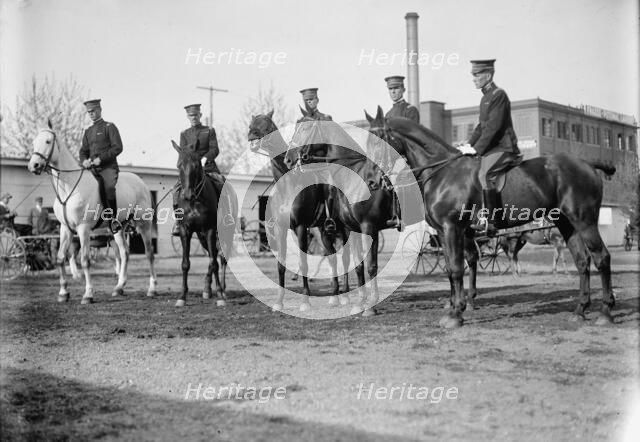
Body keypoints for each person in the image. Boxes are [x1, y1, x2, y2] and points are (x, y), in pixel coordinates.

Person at [457, 59, 521, 234]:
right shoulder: (485, 97)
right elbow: (481, 127)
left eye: (476, 75)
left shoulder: (498, 95)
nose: (474, 79)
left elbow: (494, 127)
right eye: (473, 75)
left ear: (488, 75)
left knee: (485, 174)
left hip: (504, 147)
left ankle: (492, 222)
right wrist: (469, 144)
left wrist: (477, 149)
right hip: (492, 147)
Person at [172, 103, 225, 236]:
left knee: (222, 185)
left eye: (196, 115)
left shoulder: (209, 130)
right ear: (188, 117)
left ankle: (225, 218)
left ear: (200, 115)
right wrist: (181, 168)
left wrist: (205, 158)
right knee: (175, 191)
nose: (194, 117)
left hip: (208, 168)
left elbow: (214, 149)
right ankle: (178, 223)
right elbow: (183, 154)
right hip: (190, 171)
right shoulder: (184, 134)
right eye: (191, 116)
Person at [79, 99, 124, 233]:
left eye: (93, 111)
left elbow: (118, 147)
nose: (91, 114)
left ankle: (113, 220)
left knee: (109, 187)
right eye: (89, 112)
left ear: (99, 110)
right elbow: (83, 151)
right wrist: (84, 161)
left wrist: (101, 159)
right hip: (93, 170)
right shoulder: (88, 132)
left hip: (108, 168)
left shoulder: (109, 127)